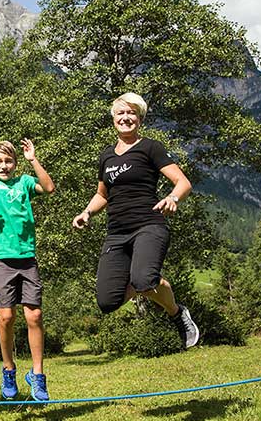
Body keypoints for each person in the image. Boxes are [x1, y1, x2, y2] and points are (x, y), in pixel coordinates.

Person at [72, 92, 200, 348]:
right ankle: (146, 279)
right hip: (117, 232)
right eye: (121, 113)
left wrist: (173, 198)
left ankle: (177, 313)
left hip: (149, 225)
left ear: (140, 119)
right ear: (113, 119)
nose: (126, 118)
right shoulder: (106, 156)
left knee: (143, 280)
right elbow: (102, 194)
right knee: (108, 302)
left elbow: (183, 182)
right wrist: (87, 212)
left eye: (131, 113)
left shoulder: (150, 147)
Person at [0, 139, 56, 401]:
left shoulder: (25, 182)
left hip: (27, 258)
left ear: (15, 163)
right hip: (0, 260)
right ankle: (8, 369)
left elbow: (49, 187)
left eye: (8, 161)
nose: (4, 166)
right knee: (6, 317)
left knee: (34, 316)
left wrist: (33, 160)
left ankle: (37, 376)